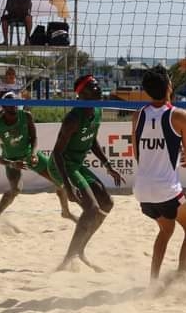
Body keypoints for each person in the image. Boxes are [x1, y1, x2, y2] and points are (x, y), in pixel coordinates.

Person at [48, 75, 125, 271]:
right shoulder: (73, 118)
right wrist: (67, 185)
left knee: (107, 203)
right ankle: (68, 259)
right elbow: (57, 152)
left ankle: (79, 249)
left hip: (76, 164)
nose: (98, 88)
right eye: (92, 87)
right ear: (81, 94)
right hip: (61, 165)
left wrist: (108, 165)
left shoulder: (97, 111)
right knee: (91, 209)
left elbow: (92, 140)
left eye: (98, 85)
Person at [132, 65, 186, 282]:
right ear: (169, 86)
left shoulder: (137, 115)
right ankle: (181, 277)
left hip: (141, 190)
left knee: (166, 230)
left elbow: (137, 153)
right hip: (166, 190)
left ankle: (153, 281)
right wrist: (182, 160)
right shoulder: (179, 116)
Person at [0, 92, 77, 223]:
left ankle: (66, 212)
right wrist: (12, 164)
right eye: (10, 105)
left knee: (59, 179)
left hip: (30, 155)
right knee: (15, 190)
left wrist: (34, 153)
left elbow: (34, 138)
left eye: (15, 105)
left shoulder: (26, 116)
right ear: (3, 107)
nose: (13, 108)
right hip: (12, 160)